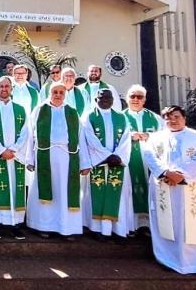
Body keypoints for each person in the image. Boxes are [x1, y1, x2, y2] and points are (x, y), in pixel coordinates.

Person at [142, 106, 196, 276]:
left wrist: (181, 175)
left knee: (193, 224)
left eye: (176, 116)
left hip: (191, 185)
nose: (172, 120)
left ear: (184, 118)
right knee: (168, 223)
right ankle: (168, 259)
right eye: (168, 118)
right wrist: (166, 172)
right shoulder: (155, 138)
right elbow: (150, 156)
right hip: (164, 185)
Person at [26, 82, 87, 240]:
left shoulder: (72, 112)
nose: (58, 94)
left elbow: (81, 138)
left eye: (61, 92)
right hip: (45, 155)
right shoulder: (40, 110)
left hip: (67, 156)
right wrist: (29, 159)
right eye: (55, 91)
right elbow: (30, 136)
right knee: (45, 190)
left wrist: (85, 163)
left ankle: (66, 228)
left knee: (64, 192)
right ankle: (43, 226)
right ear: (49, 92)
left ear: (65, 94)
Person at [0, 76, 32, 240]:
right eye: (1, 86)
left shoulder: (21, 109)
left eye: (7, 86)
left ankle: (15, 225)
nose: (4, 89)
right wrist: (2, 150)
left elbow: (26, 132)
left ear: (12, 89)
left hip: (15, 157)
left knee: (16, 190)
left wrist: (14, 150)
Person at [80, 89, 132, 241]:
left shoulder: (121, 118)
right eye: (101, 97)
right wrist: (107, 156)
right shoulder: (89, 117)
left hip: (117, 163)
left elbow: (126, 140)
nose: (105, 100)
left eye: (108, 97)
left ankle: (118, 230)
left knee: (118, 196)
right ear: (96, 99)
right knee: (96, 195)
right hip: (98, 163)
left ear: (113, 100)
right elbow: (89, 139)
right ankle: (96, 229)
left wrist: (118, 157)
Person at [123, 84, 164, 232]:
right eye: (132, 96)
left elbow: (165, 137)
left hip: (150, 162)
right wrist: (129, 136)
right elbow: (114, 138)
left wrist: (149, 136)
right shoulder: (121, 117)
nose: (135, 99)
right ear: (127, 98)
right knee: (130, 190)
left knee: (150, 190)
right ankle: (130, 225)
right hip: (129, 162)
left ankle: (148, 226)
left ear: (144, 100)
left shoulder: (155, 118)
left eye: (139, 97)